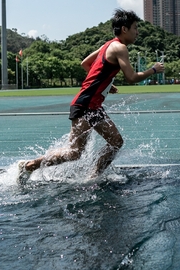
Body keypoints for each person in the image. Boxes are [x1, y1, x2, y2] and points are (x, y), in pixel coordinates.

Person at [17, 9, 165, 184]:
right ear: (124, 29)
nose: (137, 32)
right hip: (86, 104)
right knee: (74, 152)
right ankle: (28, 166)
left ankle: (93, 177)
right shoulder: (120, 47)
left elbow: (85, 63)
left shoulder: (107, 45)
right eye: (135, 28)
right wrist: (153, 70)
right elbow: (131, 78)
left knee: (115, 141)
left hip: (93, 105)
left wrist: (106, 84)